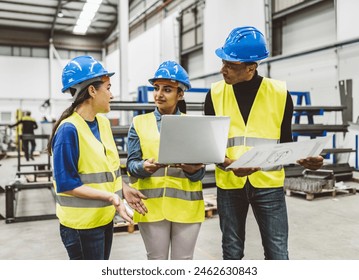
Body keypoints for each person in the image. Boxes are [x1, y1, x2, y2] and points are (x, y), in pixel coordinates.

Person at [204, 26, 324, 260]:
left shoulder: (280, 93)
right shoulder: (215, 94)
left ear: (251, 67)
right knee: (231, 252)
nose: (223, 70)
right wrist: (228, 163)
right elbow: (210, 146)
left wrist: (307, 160)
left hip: (268, 184)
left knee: (277, 252)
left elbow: (285, 142)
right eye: (223, 62)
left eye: (231, 64)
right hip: (230, 184)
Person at [47, 55, 147, 260]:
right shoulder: (68, 131)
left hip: (103, 218)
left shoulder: (102, 124)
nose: (111, 94)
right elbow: (66, 184)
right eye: (108, 88)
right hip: (81, 226)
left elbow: (108, 172)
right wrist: (111, 197)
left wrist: (123, 190)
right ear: (92, 90)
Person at [126, 60, 206, 260]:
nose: (159, 94)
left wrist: (190, 168)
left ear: (180, 94)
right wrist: (144, 167)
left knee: (183, 262)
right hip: (150, 206)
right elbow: (131, 164)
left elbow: (200, 173)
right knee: (156, 263)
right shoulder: (139, 123)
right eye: (156, 88)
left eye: (167, 89)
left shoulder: (193, 125)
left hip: (186, 206)